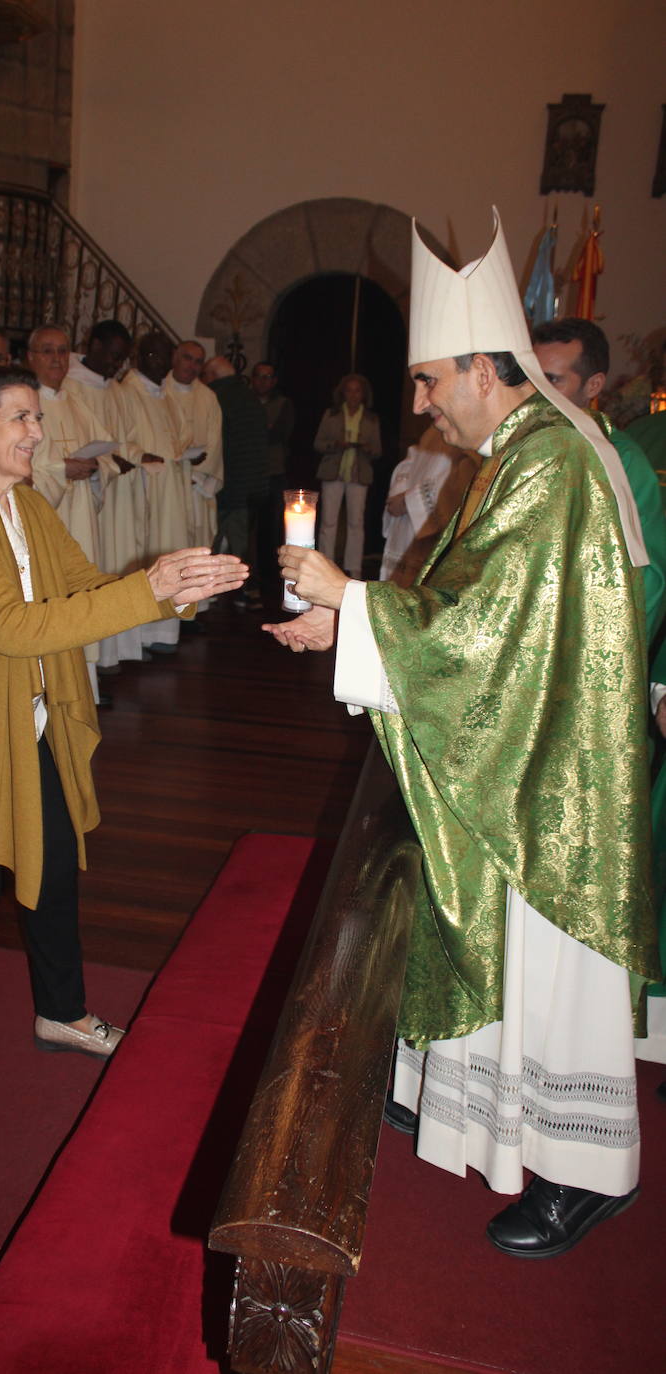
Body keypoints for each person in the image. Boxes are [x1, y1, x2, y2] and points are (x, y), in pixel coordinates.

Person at [265, 210, 659, 1259]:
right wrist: (347, 625)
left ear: (487, 369)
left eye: (431, 379)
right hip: (525, 750)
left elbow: (486, 636)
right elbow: (469, 604)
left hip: (551, 779)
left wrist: (352, 596)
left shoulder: (550, 464)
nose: (421, 401)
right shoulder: (518, 453)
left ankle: (589, 1173)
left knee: (556, 974)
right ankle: (488, 1112)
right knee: (517, 964)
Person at [0, 363, 246, 1071]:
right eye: (20, 416)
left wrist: (175, 589)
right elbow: (13, 628)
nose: (37, 432)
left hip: (26, 724)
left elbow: (84, 589)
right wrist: (150, 590)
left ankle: (62, 1012)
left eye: (37, 417)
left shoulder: (31, 508)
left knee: (51, 871)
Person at [533, 316, 666, 641]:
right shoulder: (521, 449)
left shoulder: (620, 459)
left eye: (552, 380)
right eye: (531, 378)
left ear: (593, 386)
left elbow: (645, 579)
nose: (536, 393)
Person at [27, 324, 133, 703]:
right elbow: (12, 468)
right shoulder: (23, 405)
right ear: (31, 357)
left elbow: (105, 453)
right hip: (44, 517)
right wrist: (61, 470)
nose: (56, 359)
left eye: (61, 351)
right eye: (47, 351)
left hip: (82, 515)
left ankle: (83, 691)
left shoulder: (75, 402)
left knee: (81, 594)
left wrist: (94, 468)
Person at [64, 319, 146, 670]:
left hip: (115, 492)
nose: (117, 365)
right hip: (82, 494)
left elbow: (125, 438)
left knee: (116, 562)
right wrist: (105, 463)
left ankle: (113, 652)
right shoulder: (68, 386)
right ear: (94, 345)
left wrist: (127, 458)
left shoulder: (116, 391)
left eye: (122, 359)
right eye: (113, 356)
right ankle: (92, 659)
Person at [120, 331, 193, 654]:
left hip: (171, 487)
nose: (160, 363)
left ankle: (164, 632)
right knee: (147, 554)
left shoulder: (167, 394)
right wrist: (139, 456)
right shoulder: (127, 392)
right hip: (143, 486)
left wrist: (185, 452)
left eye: (166, 356)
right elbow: (119, 437)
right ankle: (141, 636)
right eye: (153, 355)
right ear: (139, 357)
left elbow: (181, 434)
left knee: (172, 550)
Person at [201, 356, 268, 605]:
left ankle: (216, 592)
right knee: (245, 543)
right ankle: (247, 592)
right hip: (254, 483)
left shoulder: (217, 398)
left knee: (214, 538)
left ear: (213, 376)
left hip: (229, 484)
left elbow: (218, 445)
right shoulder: (251, 398)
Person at [379, 423, 479, 586]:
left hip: (432, 526)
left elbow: (464, 477)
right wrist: (400, 491)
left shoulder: (472, 429)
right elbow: (413, 457)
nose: (418, 410)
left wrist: (409, 500)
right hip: (406, 522)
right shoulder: (433, 429)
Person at [314, 374, 382, 578]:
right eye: (349, 390)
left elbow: (378, 450)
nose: (353, 395)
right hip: (333, 472)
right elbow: (318, 443)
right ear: (342, 393)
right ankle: (325, 565)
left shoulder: (371, 418)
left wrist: (367, 448)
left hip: (358, 474)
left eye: (357, 390)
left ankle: (354, 568)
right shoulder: (331, 414)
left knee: (356, 523)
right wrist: (335, 445)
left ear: (363, 394)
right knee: (328, 522)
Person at [164, 339, 224, 549]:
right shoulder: (159, 391)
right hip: (165, 484)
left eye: (198, 362)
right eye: (187, 358)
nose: (192, 366)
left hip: (197, 486)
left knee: (195, 543)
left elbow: (214, 443)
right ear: (175, 358)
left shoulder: (208, 397)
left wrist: (195, 476)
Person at [251, 361, 295, 595]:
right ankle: (250, 575)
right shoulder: (246, 402)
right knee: (249, 529)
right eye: (259, 376)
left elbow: (279, 433)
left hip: (274, 473)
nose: (263, 381)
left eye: (268, 377)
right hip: (250, 473)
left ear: (274, 381)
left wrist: (261, 429)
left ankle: (268, 576)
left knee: (271, 528)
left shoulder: (283, 404)